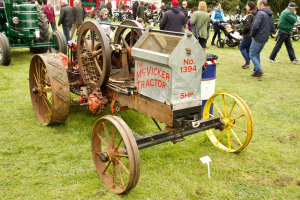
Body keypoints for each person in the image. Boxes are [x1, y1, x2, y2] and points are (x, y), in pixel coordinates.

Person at [249, 0, 274, 78]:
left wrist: (252, 35)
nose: (256, 5)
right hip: (264, 38)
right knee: (256, 54)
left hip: (258, 37)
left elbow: (255, 26)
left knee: (252, 54)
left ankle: (259, 70)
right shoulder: (270, 14)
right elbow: (272, 27)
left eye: (257, 3)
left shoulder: (260, 13)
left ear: (261, 4)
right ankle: (256, 72)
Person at [239, 1, 256, 69]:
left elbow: (247, 26)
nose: (246, 7)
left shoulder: (250, 16)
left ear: (249, 7)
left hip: (247, 35)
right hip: (251, 35)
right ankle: (248, 62)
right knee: (248, 48)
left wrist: (241, 32)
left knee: (242, 47)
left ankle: (248, 61)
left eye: (247, 6)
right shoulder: (254, 15)